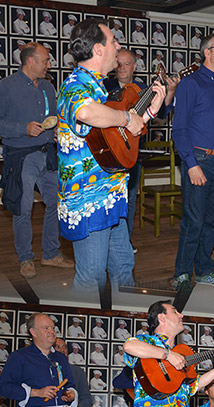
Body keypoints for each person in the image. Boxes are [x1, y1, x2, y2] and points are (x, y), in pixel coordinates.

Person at [57, 19, 165, 290]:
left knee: (123, 270)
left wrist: (149, 112)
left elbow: (114, 136)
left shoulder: (100, 86)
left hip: (112, 195)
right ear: (98, 49)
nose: (119, 46)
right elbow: (86, 112)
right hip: (89, 200)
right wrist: (127, 118)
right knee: (91, 278)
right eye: (113, 41)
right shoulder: (75, 84)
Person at [0, 43, 71, 280]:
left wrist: (56, 131)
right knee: (23, 209)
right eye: (45, 60)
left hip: (49, 155)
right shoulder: (6, 86)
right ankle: (25, 259)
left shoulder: (47, 86)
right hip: (21, 157)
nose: (49, 65)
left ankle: (51, 253)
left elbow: (54, 118)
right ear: (30, 61)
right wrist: (23, 128)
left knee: (56, 204)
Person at [171, 34, 214, 290]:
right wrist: (191, 164)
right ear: (207, 52)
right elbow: (180, 129)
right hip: (200, 159)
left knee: (212, 220)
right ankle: (182, 273)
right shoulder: (190, 84)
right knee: (194, 220)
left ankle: (205, 270)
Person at [105, 48, 177, 240]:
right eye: (118, 63)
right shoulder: (104, 86)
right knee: (107, 200)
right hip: (107, 151)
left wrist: (169, 92)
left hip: (132, 151)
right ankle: (108, 243)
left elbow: (161, 113)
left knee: (129, 200)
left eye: (126, 63)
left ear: (135, 67)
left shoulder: (142, 89)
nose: (121, 68)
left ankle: (124, 243)